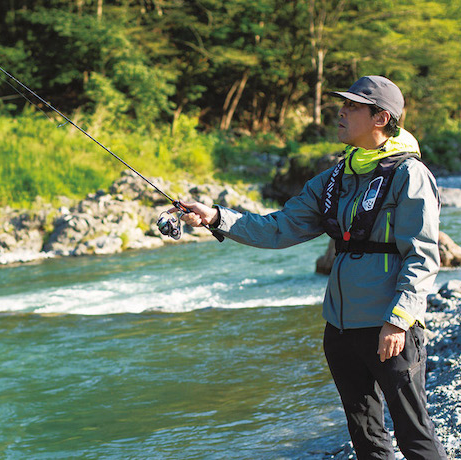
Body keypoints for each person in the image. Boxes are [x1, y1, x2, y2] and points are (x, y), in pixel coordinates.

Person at [177, 75, 447, 460]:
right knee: (367, 438)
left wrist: (399, 320)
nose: (341, 111)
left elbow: (422, 256)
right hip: (340, 330)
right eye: (345, 104)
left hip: (390, 329)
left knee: (414, 436)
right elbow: (278, 228)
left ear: (381, 118)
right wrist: (216, 217)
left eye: (353, 106)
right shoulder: (334, 179)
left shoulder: (410, 175)